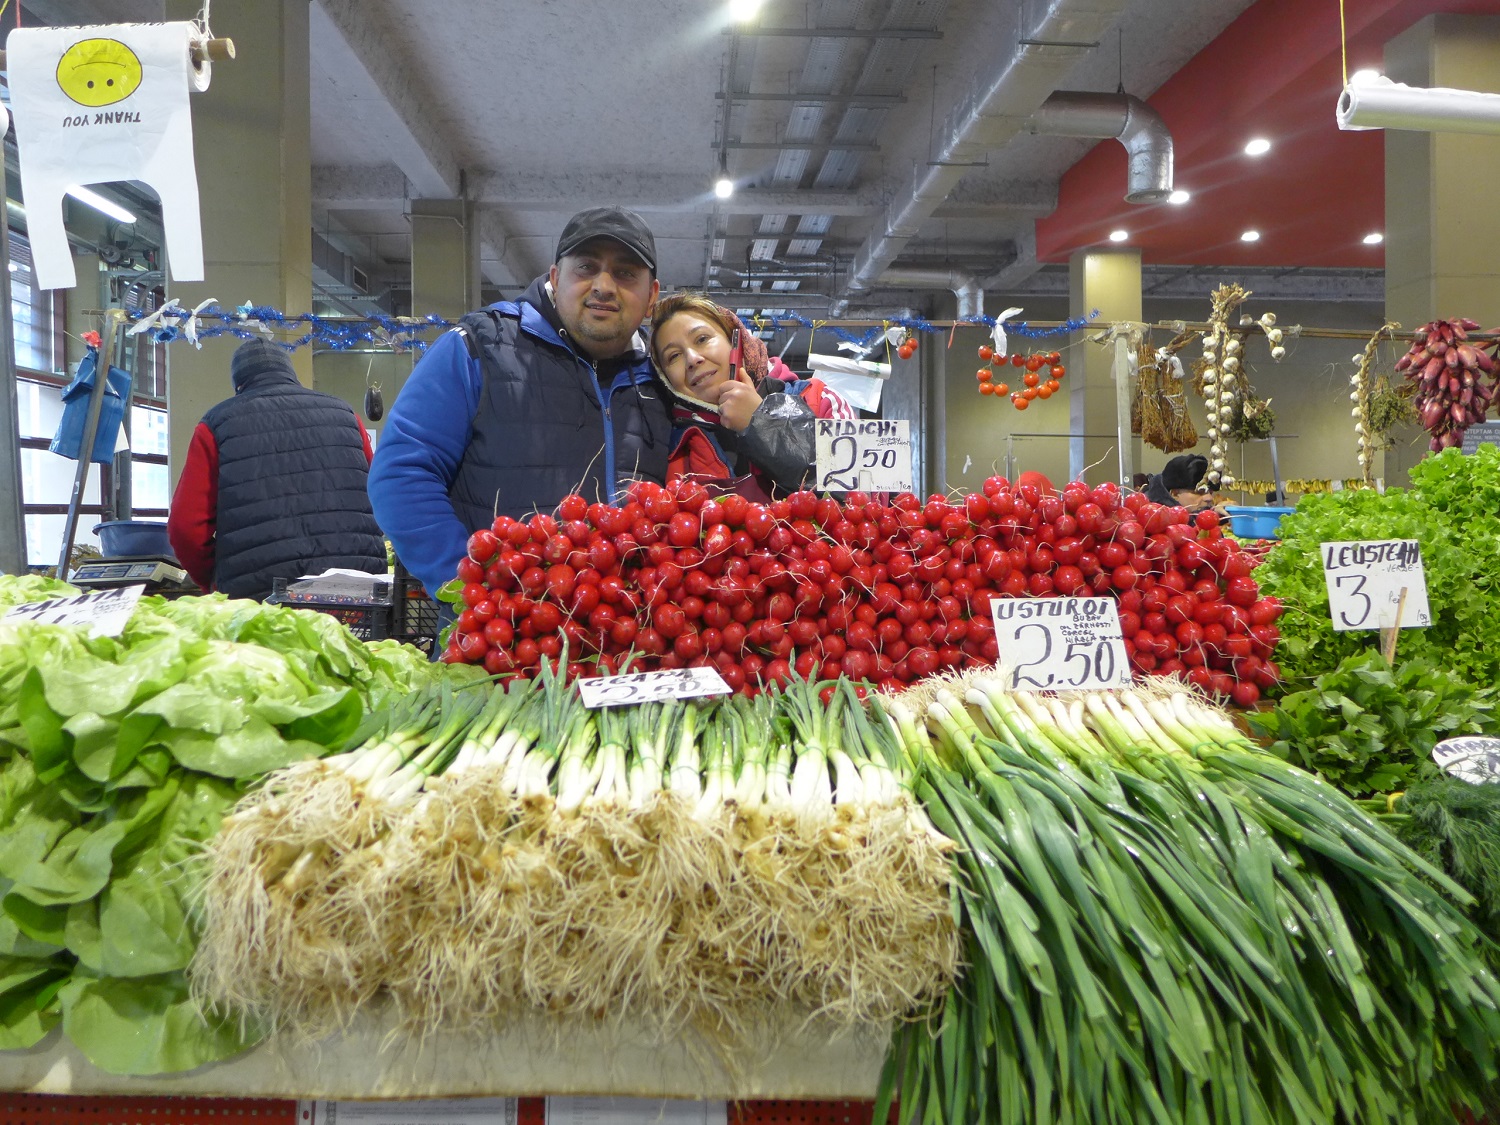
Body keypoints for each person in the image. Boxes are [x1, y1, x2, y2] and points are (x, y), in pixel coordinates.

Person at [368, 207, 671, 599]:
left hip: (627, 636)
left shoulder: (663, 380)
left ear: (652, 296)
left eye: (626, 273)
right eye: (586, 267)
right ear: (556, 278)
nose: (604, 285)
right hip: (501, 640)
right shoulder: (478, 346)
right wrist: (470, 592)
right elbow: (401, 474)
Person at [166, 338, 387, 600]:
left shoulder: (216, 424)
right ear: (290, 374)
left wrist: (213, 578)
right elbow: (382, 495)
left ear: (239, 384)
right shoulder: (347, 416)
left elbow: (185, 528)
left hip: (261, 599)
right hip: (357, 593)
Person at [648, 293, 854, 499]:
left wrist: (760, 421)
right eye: (674, 356)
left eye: (702, 339)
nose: (692, 359)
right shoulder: (674, 448)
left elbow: (859, 499)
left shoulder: (820, 400)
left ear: (736, 342)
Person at [1145, 453, 1228, 514]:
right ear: (1175, 494)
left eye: (1211, 492)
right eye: (1199, 492)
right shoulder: (1152, 522)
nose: (1209, 498)